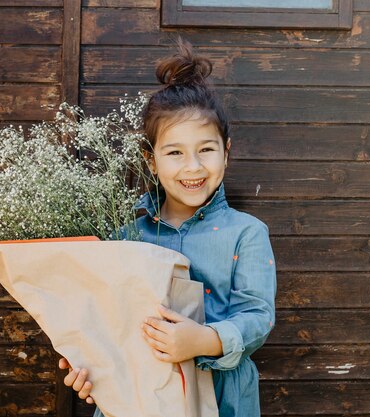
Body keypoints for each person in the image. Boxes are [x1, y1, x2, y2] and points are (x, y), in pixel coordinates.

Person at [58, 36, 277, 417]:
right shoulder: (125, 234)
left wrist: (203, 340)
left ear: (227, 151)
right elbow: (107, 323)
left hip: (222, 400)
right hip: (137, 397)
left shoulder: (247, 232)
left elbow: (257, 317)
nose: (192, 167)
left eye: (205, 150)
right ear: (151, 160)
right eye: (175, 152)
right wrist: (88, 365)